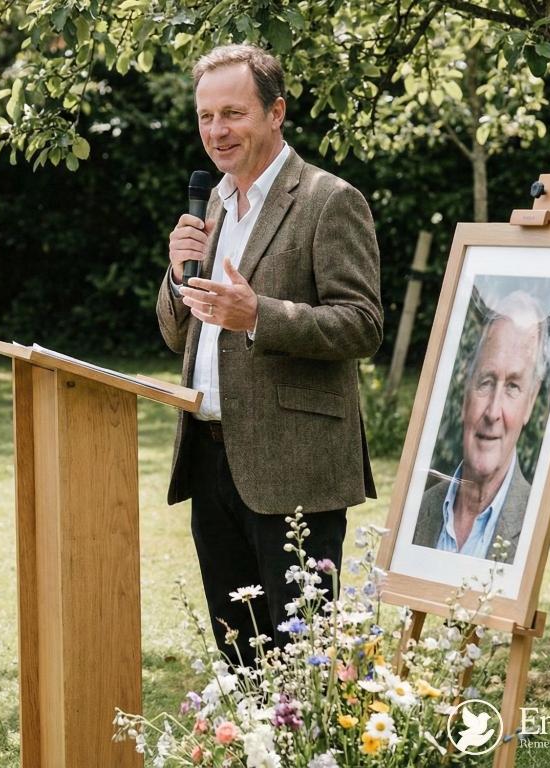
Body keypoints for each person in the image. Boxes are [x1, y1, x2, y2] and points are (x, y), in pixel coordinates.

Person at [156, 44, 383, 667]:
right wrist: (177, 275)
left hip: (294, 467)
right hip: (209, 458)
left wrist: (260, 315)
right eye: (206, 117)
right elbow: (179, 336)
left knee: (305, 664)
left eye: (232, 114)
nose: (216, 131)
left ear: (275, 112)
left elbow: (362, 325)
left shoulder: (329, 200)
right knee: (241, 657)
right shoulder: (212, 204)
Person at [412, 290, 550, 562]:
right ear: (465, 392)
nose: (493, 412)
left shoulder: (534, 523)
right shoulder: (417, 510)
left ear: (531, 402)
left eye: (513, 387)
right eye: (485, 382)